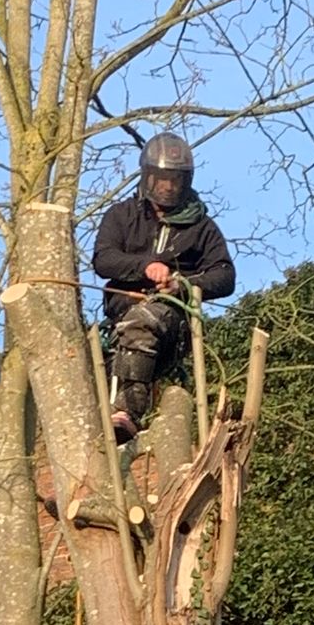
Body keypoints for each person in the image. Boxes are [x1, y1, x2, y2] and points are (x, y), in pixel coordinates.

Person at [91, 133, 235, 436]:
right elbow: (104, 259)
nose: (168, 187)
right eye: (161, 179)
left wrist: (181, 284)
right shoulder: (122, 216)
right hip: (120, 311)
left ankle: (127, 412)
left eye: (175, 181)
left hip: (171, 320)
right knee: (91, 360)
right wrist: (144, 266)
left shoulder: (202, 228)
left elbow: (224, 276)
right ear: (148, 176)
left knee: (144, 321)